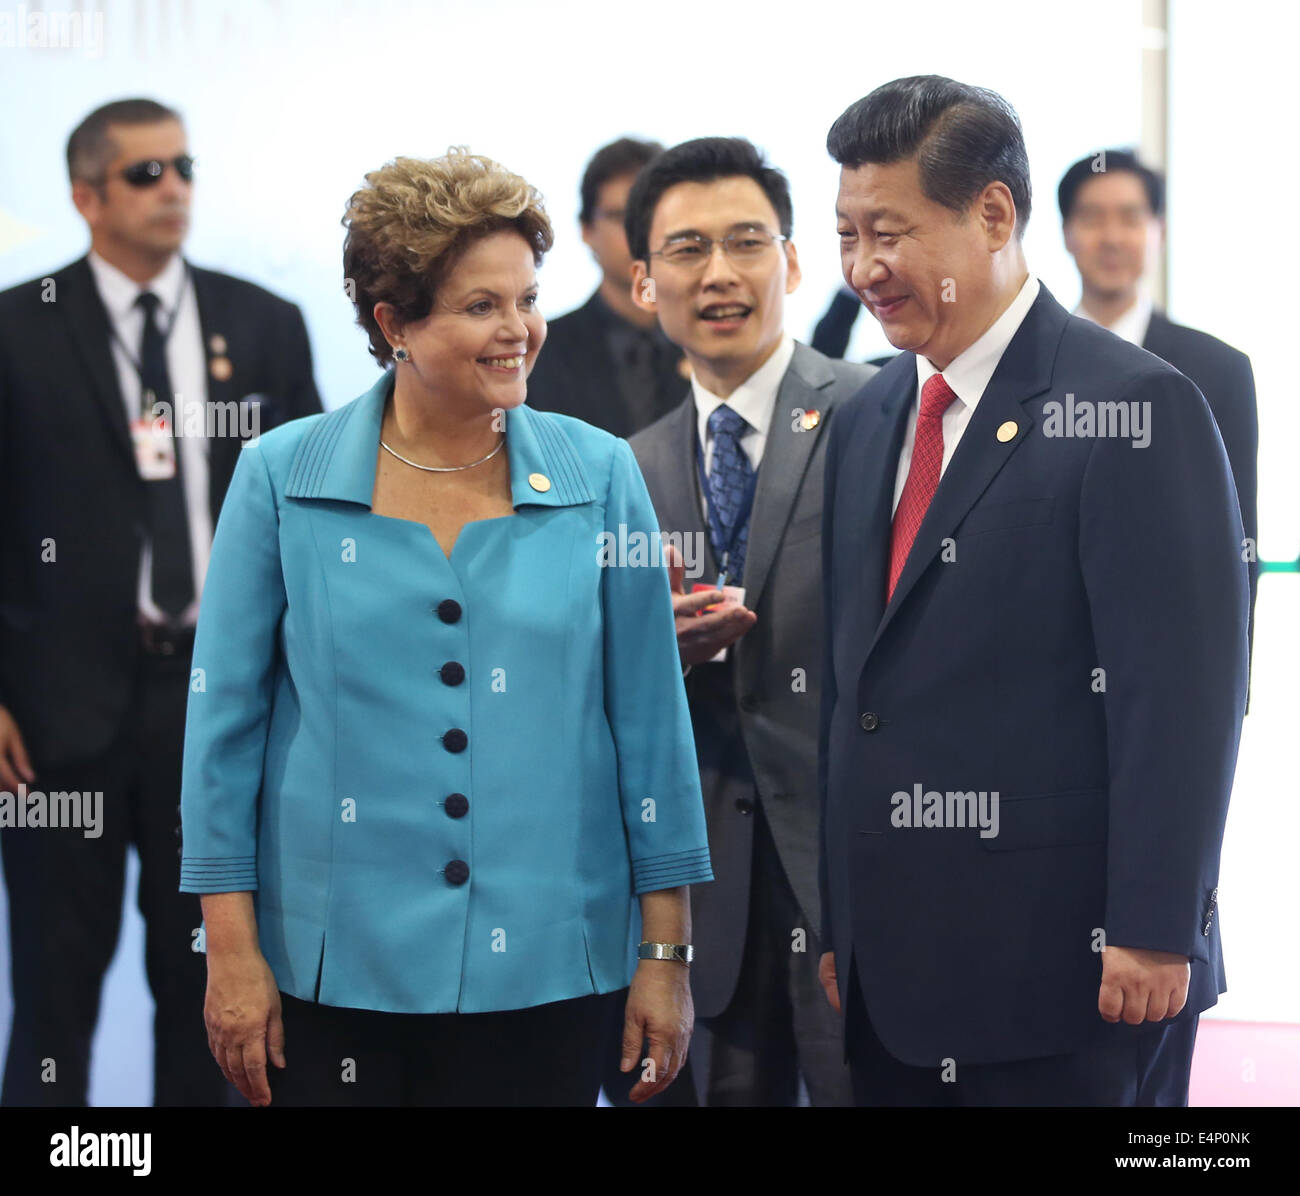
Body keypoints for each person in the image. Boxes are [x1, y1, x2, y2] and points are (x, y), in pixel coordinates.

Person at [179, 149, 711, 1108]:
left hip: (553, 966)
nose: (519, 331)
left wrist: (664, 952)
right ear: (393, 324)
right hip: (331, 970)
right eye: (480, 307)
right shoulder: (280, 475)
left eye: (527, 298)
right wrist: (230, 951)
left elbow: (651, 725)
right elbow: (224, 731)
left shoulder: (600, 476)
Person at [819, 76, 1248, 1106]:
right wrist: (843, 922)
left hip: (1068, 976)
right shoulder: (869, 414)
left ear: (994, 215)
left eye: (889, 232)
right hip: (890, 977)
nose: (863, 268)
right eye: (844, 234)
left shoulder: (1134, 404)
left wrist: (1152, 925)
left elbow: (1179, 696)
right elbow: (852, 690)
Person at [0, 98, 321, 1107]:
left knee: (212, 989)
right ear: (85, 194)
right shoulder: (14, 328)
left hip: (218, 705)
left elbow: (313, 520)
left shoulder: (263, 322)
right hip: (57, 718)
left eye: (182, 165)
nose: (173, 187)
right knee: (55, 994)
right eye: (145, 172)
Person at [625, 137, 868, 1107]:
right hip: (700, 903)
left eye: (745, 242)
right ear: (644, 282)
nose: (718, 273)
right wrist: (655, 653)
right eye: (686, 250)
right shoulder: (621, 469)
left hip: (856, 884)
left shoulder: (877, 414)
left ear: (794, 261)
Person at [1058, 148, 1258, 655]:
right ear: (1066, 234)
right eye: (1091, 217)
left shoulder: (1218, 369)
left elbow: (1236, 544)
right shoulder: (1030, 364)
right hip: (1044, 661)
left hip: (1168, 654)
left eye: (1130, 217)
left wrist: (1229, 694)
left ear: (1158, 231)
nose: (1110, 237)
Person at [525, 137, 687, 437]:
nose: (640, 233)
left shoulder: (707, 343)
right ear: (586, 229)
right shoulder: (538, 354)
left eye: (652, 216)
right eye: (621, 217)